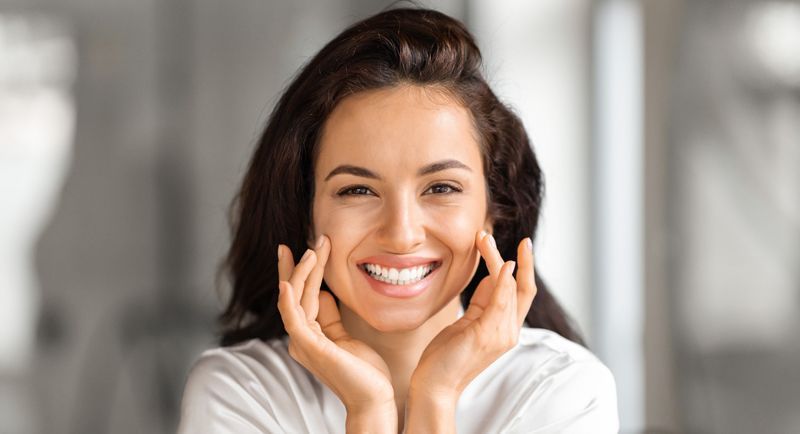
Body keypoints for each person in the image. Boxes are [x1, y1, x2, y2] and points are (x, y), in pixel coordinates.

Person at [177, 6, 618, 434]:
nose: (402, 234)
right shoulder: (242, 393)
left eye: (441, 188)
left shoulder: (560, 390)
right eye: (357, 190)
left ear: (492, 210)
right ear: (305, 214)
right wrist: (368, 410)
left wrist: (436, 395)